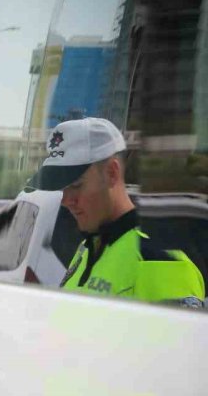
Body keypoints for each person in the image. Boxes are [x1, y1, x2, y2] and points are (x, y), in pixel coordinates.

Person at [34, 117, 204, 306]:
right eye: (62, 188)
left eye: (76, 185)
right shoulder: (88, 247)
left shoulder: (157, 259)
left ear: (112, 173)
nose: (65, 200)